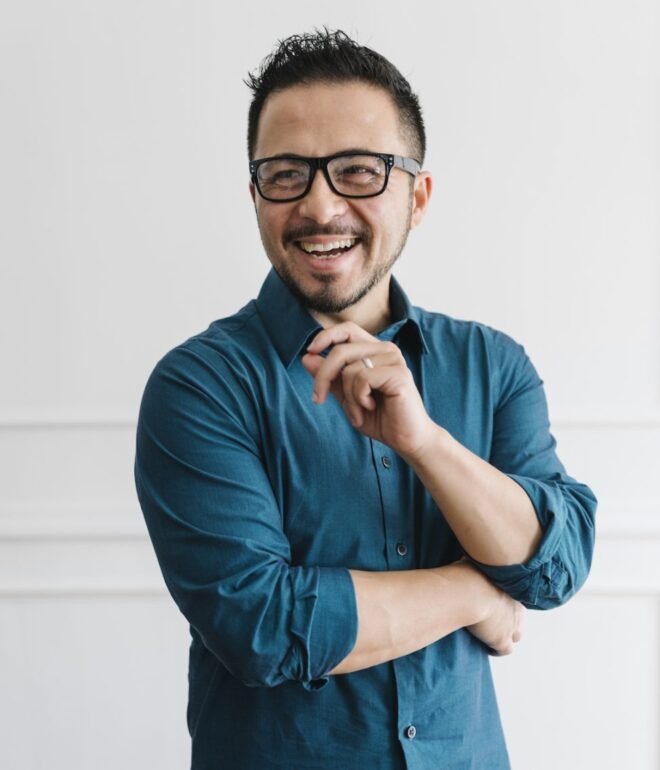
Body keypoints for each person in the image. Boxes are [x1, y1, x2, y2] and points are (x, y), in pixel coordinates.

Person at [134, 28, 597, 770]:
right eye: (286, 173)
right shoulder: (199, 387)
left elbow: (553, 564)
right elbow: (263, 626)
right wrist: (474, 593)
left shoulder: (492, 365)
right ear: (255, 195)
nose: (320, 206)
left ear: (418, 197)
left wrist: (424, 443)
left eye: (357, 171)